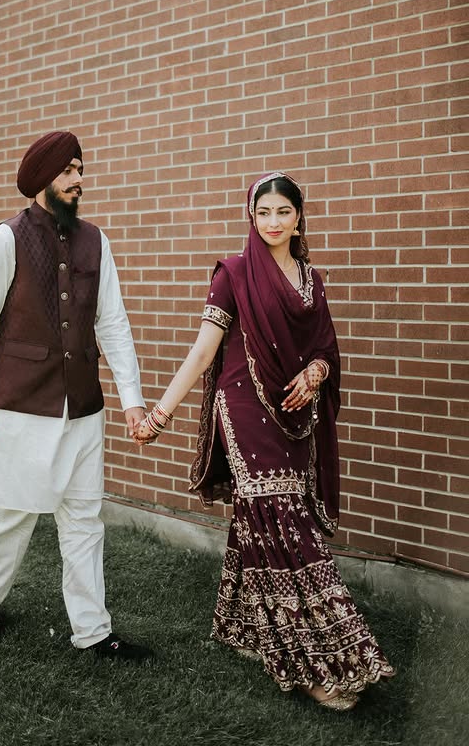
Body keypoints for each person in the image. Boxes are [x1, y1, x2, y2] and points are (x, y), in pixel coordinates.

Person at [133, 172, 394, 707]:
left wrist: (317, 373)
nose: (273, 223)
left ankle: (244, 628)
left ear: (299, 216)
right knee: (285, 525)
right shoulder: (233, 274)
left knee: (264, 521)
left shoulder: (311, 281)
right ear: (251, 217)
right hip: (245, 410)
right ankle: (322, 661)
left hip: (295, 413)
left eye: (283, 212)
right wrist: (161, 414)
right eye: (263, 213)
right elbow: (204, 352)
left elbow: (324, 346)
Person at [0, 130, 152, 662]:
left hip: (85, 405)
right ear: (43, 179)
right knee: (13, 515)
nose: (79, 180)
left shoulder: (96, 240)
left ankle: (92, 631)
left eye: (80, 169)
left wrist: (132, 398)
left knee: (85, 521)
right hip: (25, 405)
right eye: (68, 172)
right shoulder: (5, 239)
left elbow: (113, 322)